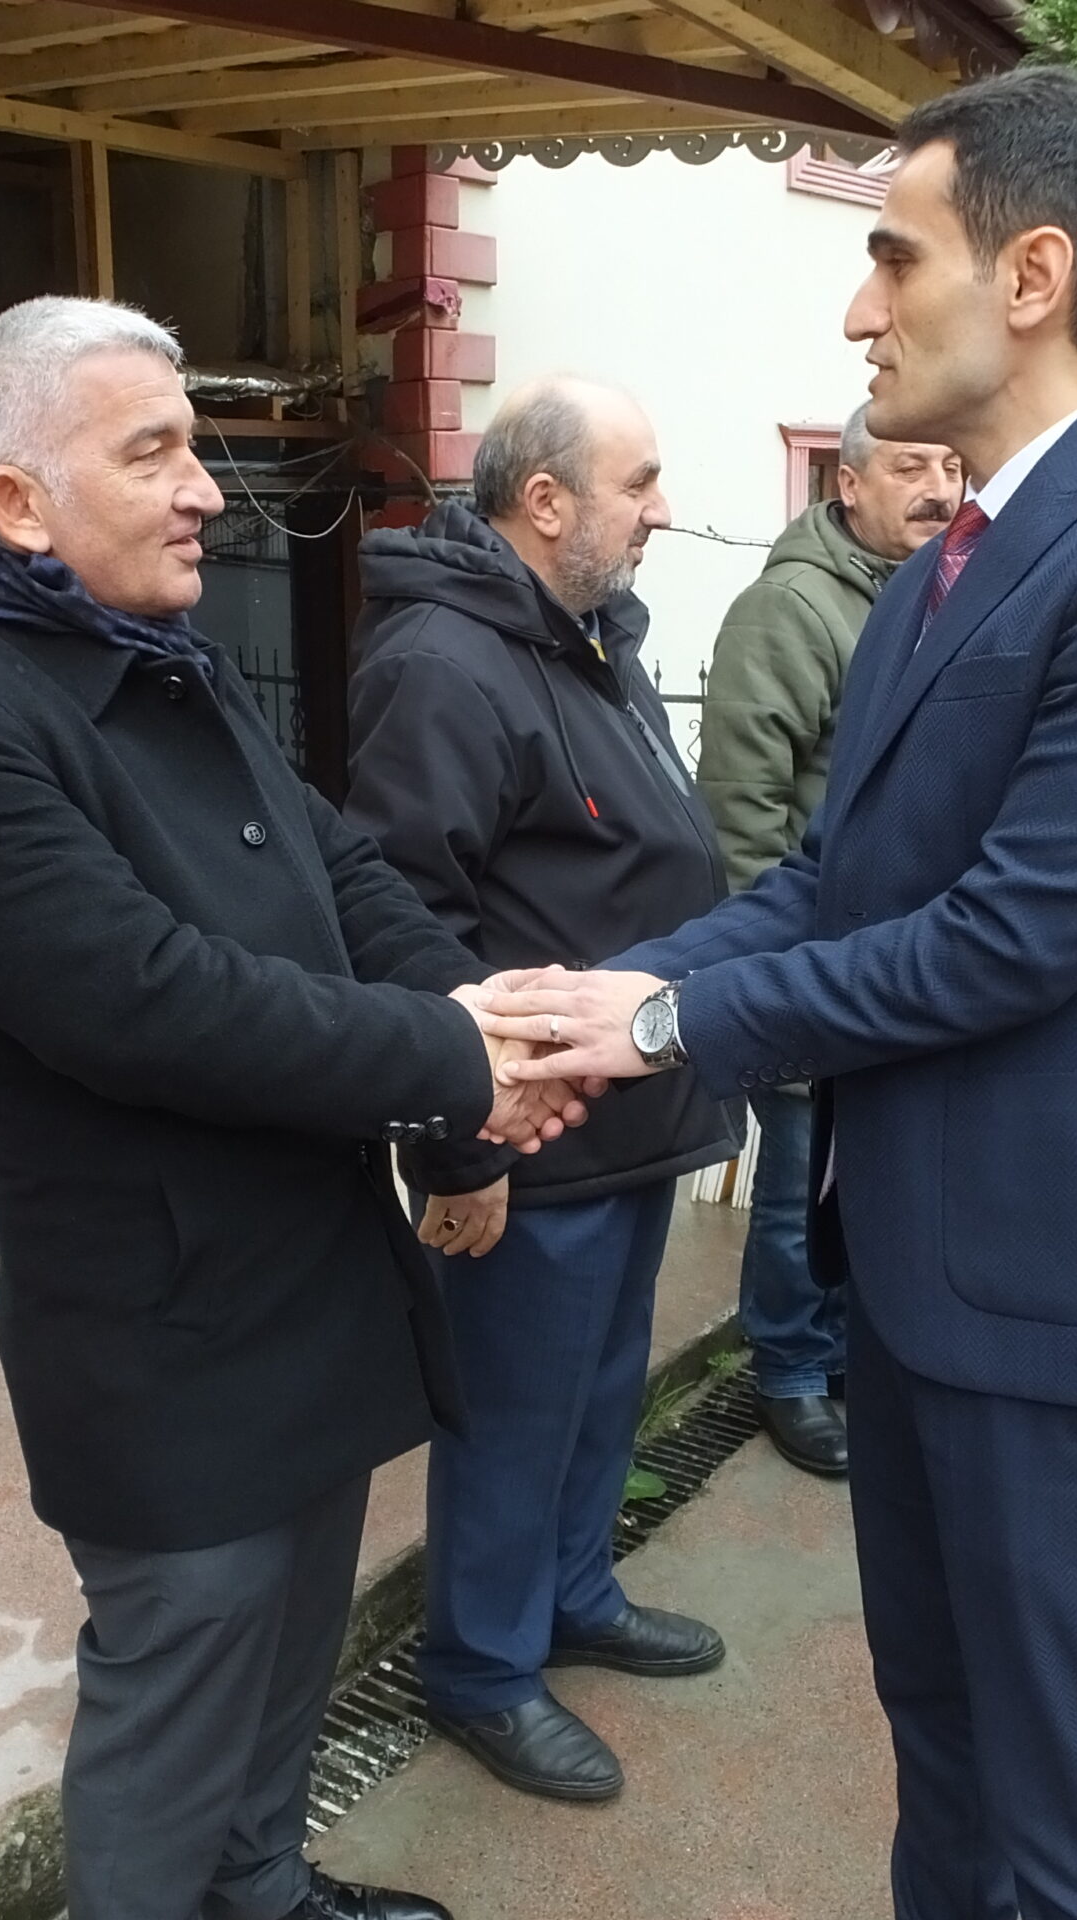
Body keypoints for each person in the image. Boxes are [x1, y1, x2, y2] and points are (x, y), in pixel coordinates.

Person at [476, 67, 1077, 1920]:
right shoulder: (950, 563)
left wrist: (665, 1030)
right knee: (942, 1745)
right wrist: (605, 993)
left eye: (895, 257)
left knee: (1068, 1817)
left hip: (1065, 1313)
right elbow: (838, 887)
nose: (860, 309)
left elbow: (1014, 936)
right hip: (922, 1293)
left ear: (1032, 274)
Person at [0, 297, 585, 1920]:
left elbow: (348, 878)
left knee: (290, 1659)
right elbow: (150, 1001)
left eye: (197, 448)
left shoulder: (168, 665)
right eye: (154, 453)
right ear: (20, 501)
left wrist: (493, 1043)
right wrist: (455, 1058)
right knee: (177, 1710)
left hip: (309, 1287)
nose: (205, 493)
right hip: (165, 1337)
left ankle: (268, 1894)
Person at [342, 376, 737, 1804]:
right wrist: (463, 1150)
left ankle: (574, 1594)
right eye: (639, 483)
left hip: (626, 1115)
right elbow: (402, 923)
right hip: (529, 1135)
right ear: (546, 500)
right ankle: (482, 1670)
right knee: (513, 1420)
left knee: (598, 1392)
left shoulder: (586, 636)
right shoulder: (444, 665)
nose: (662, 510)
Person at [696, 403, 962, 1479]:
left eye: (950, 465)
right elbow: (743, 804)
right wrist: (781, 977)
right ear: (846, 484)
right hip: (815, 963)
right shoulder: (791, 609)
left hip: (906, 967)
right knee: (798, 1181)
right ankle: (792, 1368)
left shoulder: (949, 590)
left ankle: (852, 1355)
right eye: (909, 465)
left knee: (874, 1177)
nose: (937, 487)